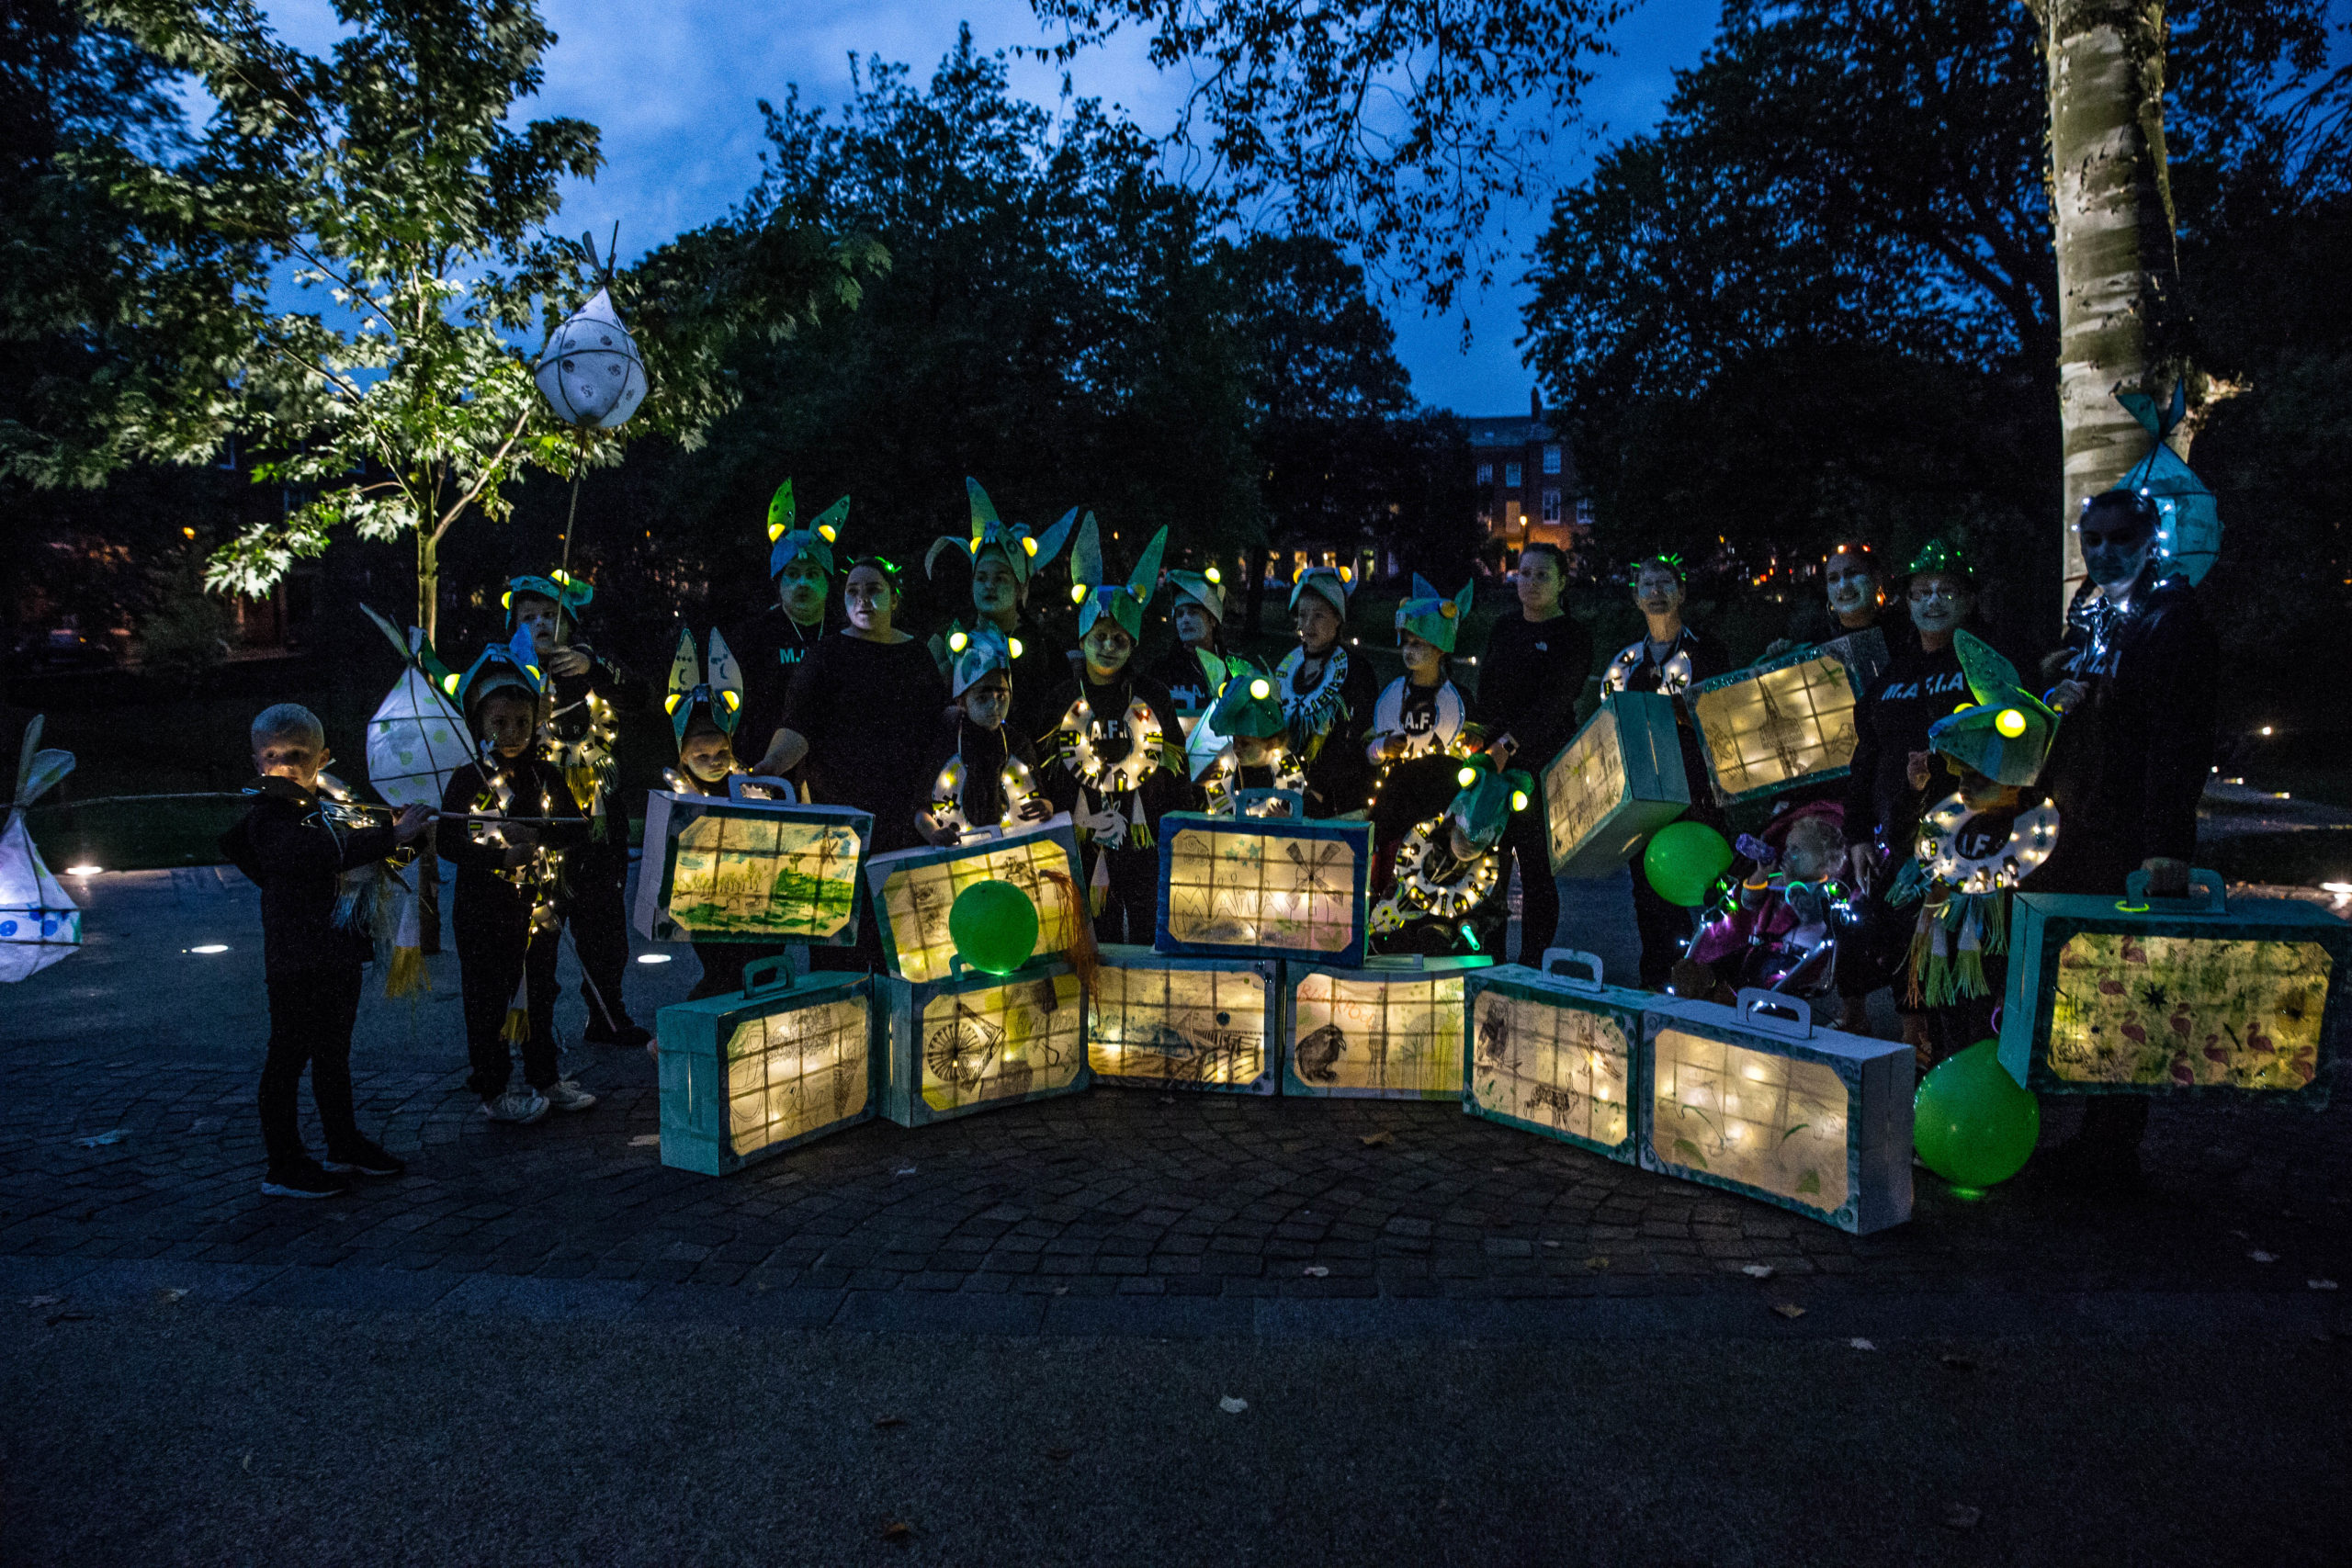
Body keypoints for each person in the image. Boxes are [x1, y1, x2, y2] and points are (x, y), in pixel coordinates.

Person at [2036, 487, 2221, 1185]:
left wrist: (2166, 843)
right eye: (2094, 538)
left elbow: (2180, 740)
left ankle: (2111, 1147)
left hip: (2130, 834)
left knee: (2124, 984)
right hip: (2073, 825)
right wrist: (2054, 689)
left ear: (2150, 540)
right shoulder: (2089, 616)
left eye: (2121, 538)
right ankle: (2085, 1131)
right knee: (2079, 978)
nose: (2105, 551)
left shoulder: (2172, 622)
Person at [220, 704, 431, 1198]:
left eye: (297, 754)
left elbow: (376, 859)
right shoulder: (268, 817)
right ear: (256, 761)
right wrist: (388, 836)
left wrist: (410, 836)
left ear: (322, 758)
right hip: (295, 958)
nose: (285, 765)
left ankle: (343, 1143)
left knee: (333, 1053)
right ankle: (283, 1164)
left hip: (337, 950)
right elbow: (309, 856)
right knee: (288, 1055)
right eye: (272, 755)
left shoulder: (334, 810)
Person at [759, 556, 951, 969]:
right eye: (853, 591)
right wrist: (770, 765)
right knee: (840, 948)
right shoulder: (826, 655)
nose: (863, 599)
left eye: (874, 590)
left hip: (906, 822)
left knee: (908, 947)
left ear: (894, 598)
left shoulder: (916, 655)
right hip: (841, 823)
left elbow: (938, 730)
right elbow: (798, 726)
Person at [1883, 631, 2063, 1070]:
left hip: (1995, 964)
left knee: (1989, 1043)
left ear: (2013, 780)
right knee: (1949, 1036)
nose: (1964, 784)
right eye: (1962, 774)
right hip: (1945, 957)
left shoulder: (2035, 829)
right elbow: (1905, 841)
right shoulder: (1951, 817)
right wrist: (1913, 791)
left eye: (1979, 777)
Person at [440, 635, 595, 1124]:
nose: (512, 733)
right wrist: (499, 856)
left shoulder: (544, 776)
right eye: (499, 723)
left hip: (538, 910)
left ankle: (544, 1077)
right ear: (479, 723)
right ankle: (493, 1088)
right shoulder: (468, 779)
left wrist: (539, 834)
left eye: (522, 723)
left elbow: (578, 829)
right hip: (482, 913)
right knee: (488, 1001)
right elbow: (447, 842)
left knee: (540, 994)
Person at [1840, 540, 1978, 1035]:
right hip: (1900, 842)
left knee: (1964, 966)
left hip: (1971, 843)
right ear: (1908, 602)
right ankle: (1915, 1045)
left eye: (1945, 591)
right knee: (1896, 942)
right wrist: (1857, 833)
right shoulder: (1890, 677)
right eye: (1922, 592)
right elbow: (1865, 759)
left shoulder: (1985, 669)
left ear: (1967, 600)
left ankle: (1963, 1051)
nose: (1932, 601)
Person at [506, 570, 647, 1050]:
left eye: (551, 615)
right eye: (528, 618)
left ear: (569, 623)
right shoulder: (509, 677)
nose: (541, 625)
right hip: (539, 828)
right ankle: (535, 1027)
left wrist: (595, 666)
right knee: (538, 932)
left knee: (604, 928)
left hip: (598, 825)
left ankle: (607, 1015)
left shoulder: (591, 668)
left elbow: (641, 697)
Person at [1035, 514, 1189, 942]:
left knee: (1146, 934)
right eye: (1099, 636)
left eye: (1119, 639)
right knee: (1085, 941)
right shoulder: (1059, 700)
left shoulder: (1153, 696)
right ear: (1082, 638)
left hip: (1145, 845)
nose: (1107, 646)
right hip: (1079, 848)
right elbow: (1042, 773)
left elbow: (1178, 773)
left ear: (1133, 643)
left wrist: (1182, 831)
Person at [1601, 553, 1733, 987]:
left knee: (1714, 884)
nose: (1656, 592)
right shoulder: (1625, 664)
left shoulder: (1708, 650)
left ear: (1682, 593)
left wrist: (1688, 715)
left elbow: (1723, 713)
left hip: (1698, 786)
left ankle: (1723, 979)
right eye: (1647, 585)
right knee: (1649, 889)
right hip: (1645, 791)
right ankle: (1660, 978)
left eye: (1665, 583)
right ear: (1636, 598)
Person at [659, 627, 792, 1002]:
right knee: (721, 973)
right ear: (684, 757)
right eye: (701, 756)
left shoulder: (749, 785)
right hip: (708, 906)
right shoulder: (678, 795)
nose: (714, 762)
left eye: (721, 752)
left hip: (759, 904)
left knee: (762, 967)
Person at [1475, 542, 1592, 960]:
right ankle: (1490, 958)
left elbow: (1555, 702)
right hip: (1493, 764)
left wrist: (1511, 743)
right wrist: (1483, 740)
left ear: (1561, 582)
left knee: (1536, 866)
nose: (1532, 582)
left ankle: (1532, 960)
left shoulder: (1572, 636)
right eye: (1525, 574)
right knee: (1488, 864)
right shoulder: (1505, 628)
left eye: (1543, 575)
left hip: (1543, 766)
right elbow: (1487, 693)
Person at [924, 479, 1078, 747]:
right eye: (982, 577)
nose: (989, 586)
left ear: (1020, 587)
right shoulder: (948, 642)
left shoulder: (1044, 649)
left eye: (1001, 578)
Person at [730, 479, 849, 795]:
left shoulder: (844, 635)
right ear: (779, 582)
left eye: (812, 574)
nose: (802, 583)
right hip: (766, 769)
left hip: (832, 773)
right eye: (792, 575)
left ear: (827, 582)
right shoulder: (754, 636)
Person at [1367, 752, 1538, 958]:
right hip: (1407, 918)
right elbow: (1401, 877)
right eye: (1464, 836)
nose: (1468, 845)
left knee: (1435, 939)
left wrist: (1473, 924)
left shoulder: (1487, 869)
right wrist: (1387, 904)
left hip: (1450, 928)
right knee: (1399, 938)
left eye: (1476, 843)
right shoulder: (1423, 841)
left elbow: (1493, 909)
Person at [920, 626, 1053, 845]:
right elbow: (921, 809)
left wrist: (1046, 807)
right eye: (982, 698)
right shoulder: (946, 745)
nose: (994, 706)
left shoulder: (1018, 744)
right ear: (961, 701)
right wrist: (933, 832)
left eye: (1001, 696)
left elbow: (1040, 798)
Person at [1278, 564, 1381, 818]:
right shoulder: (1289, 669)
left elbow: (1356, 736)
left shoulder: (1357, 670)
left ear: (1338, 618)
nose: (1308, 624)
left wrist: (1317, 790)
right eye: (1302, 615)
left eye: (1319, 616)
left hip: (1339, 801)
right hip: (1288, 790)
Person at [1365, 576, 1482, 770]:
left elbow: (1474, 754)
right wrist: (1381, 747)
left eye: (1418, 644)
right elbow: (1370, 755)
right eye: (1406, 643)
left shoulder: (1460, 699)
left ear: (1441, 648)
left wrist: (1473, 743)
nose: (1408, 650)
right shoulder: (1393, 695)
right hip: (1397, 783)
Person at [1188, 657, 1306, 817]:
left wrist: (1289, 821)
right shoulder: (1222, 767)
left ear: (1272, 743)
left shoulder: (1293, 772)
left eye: (1245, 743)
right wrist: (1199, 784)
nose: (1236, 748)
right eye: (1234, 740)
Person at [1144, 568, 1231, 727]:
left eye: (1193, 613)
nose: (1185, 620)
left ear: (1212, 619)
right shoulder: (1161, 669)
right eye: (1180, 614)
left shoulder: (1232, 670)